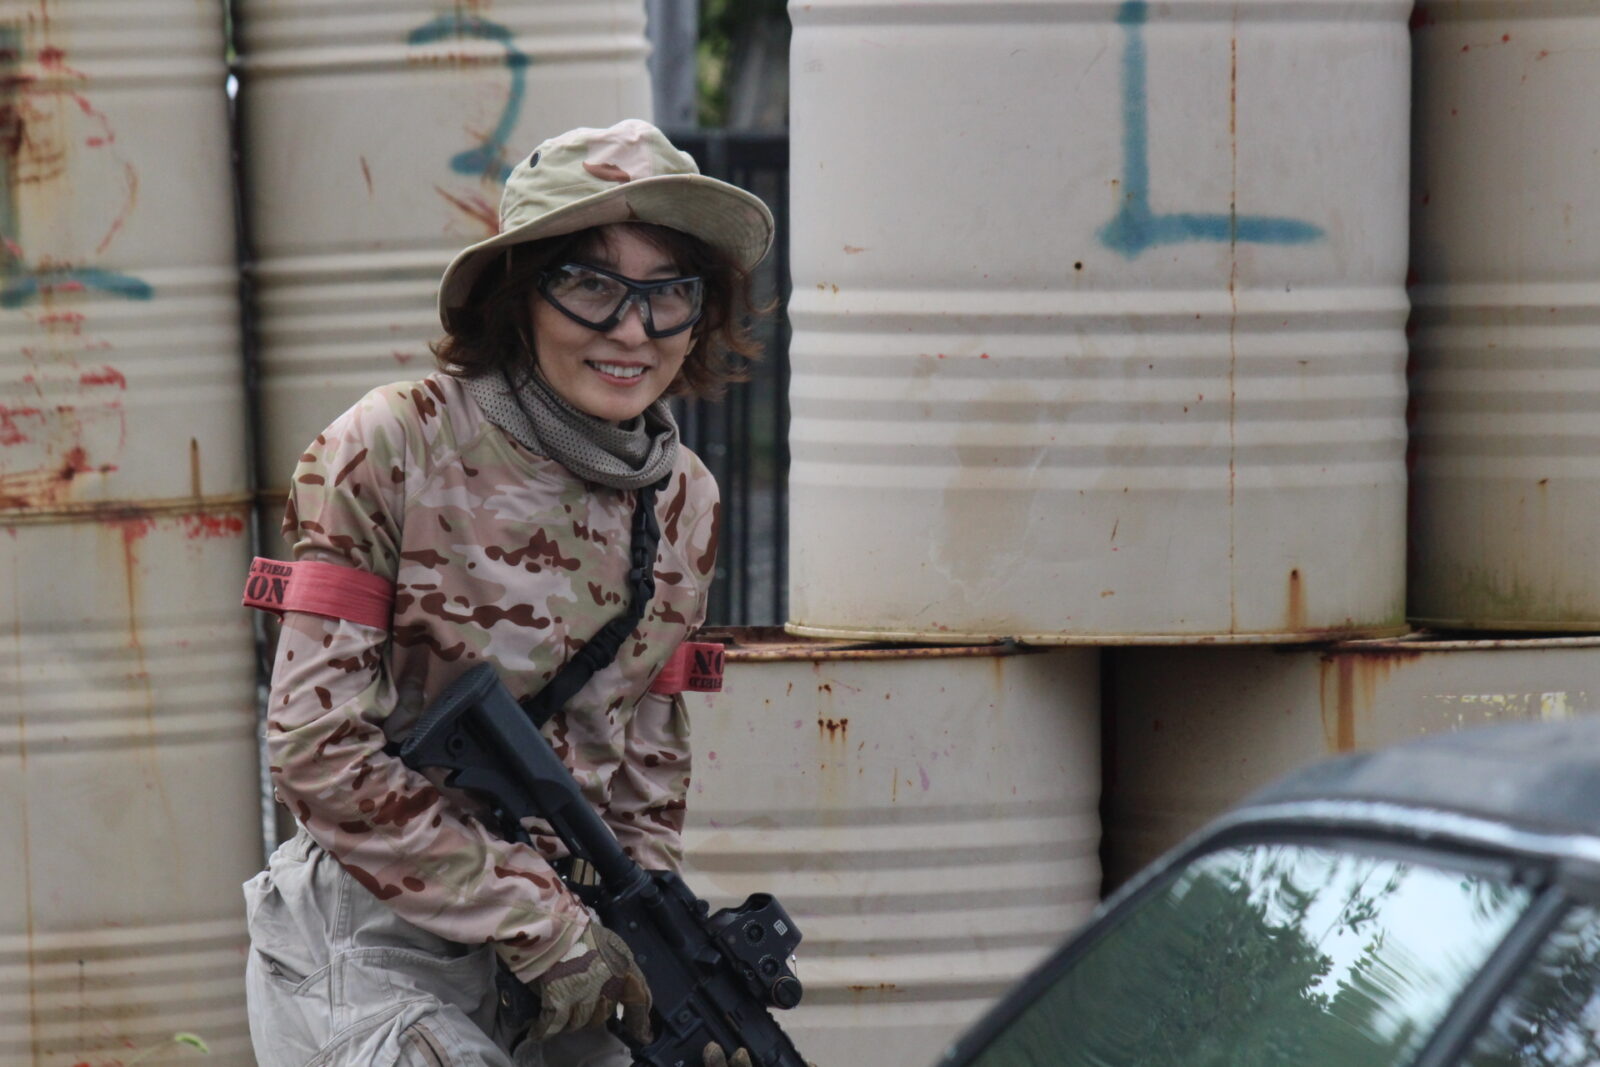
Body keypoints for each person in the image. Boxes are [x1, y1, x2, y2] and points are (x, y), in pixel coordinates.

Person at [242, 119, 773, 1067]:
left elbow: (646, 772)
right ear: (519, 294)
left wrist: (661, 964)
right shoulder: (394, 443)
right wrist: (535, 920)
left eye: (669, 293)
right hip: (381, 929)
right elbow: (315, 747)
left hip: (574, 947)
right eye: (591, 285)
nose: (633, 329)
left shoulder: (685, 497)